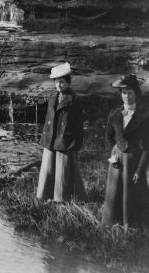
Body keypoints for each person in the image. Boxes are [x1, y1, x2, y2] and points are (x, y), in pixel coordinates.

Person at [101, 74, 149, 231]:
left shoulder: (144, 116)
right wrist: (113, 154)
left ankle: (132, 226)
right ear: (120, 94)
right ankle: (112, 224)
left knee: (132, 192)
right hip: (117, 160)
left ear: (136, 94)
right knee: (115, 192)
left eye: (130, 93)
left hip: (133, 160)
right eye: (124, 93)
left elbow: (147, 146)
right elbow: (108, 136)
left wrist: (140, 170)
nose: (127, 96)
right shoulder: (115, 114)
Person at [36, 62, 86, 202]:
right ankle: (44, 195)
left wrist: (77, 143)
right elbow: (48, 119)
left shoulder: (74, 99)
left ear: (68, 82)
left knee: (63, 169)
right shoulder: (53, 97)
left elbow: (78, 123)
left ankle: (61, 198)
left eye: (62, 82)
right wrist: (45, 135)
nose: (59, 85)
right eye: (57, 82)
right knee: (48, 168)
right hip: (51, 137)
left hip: (65, 139)